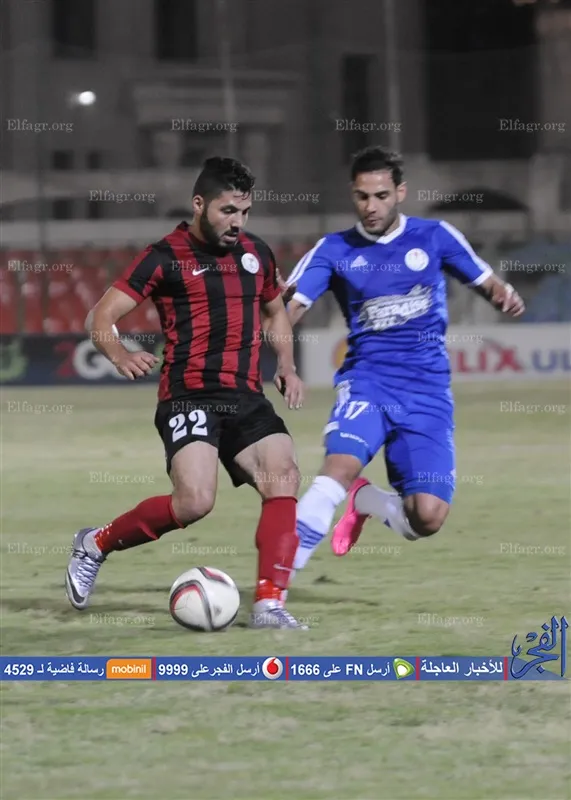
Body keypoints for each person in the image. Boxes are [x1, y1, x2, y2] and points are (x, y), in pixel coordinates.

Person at [65, 156, 307, 629]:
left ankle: (269, 605)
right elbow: (101, 316)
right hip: (188, 395)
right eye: (227, 211)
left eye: (245, 212)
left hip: (245, 394)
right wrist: (119, 354)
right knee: (194, 502)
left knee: (284, 475)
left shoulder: (257, 254)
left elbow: (275, 310)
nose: (237, 223)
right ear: (199, 204)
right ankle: (94, 544)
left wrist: (288, 364)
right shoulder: (164, 256)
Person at [282, 145, 524, 593]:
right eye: (362, 196)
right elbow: (287, 310)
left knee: (426, 518)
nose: (371, 206)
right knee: (337, 470)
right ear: (352, 195)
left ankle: (368, 500)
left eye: (381, 196)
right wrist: (276, 344)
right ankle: (272, 594)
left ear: (400, 193)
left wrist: (503, 295)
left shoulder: (435, 237)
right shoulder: (334, 249)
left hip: (427, 393)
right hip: (368, 383)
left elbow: (486, 280)